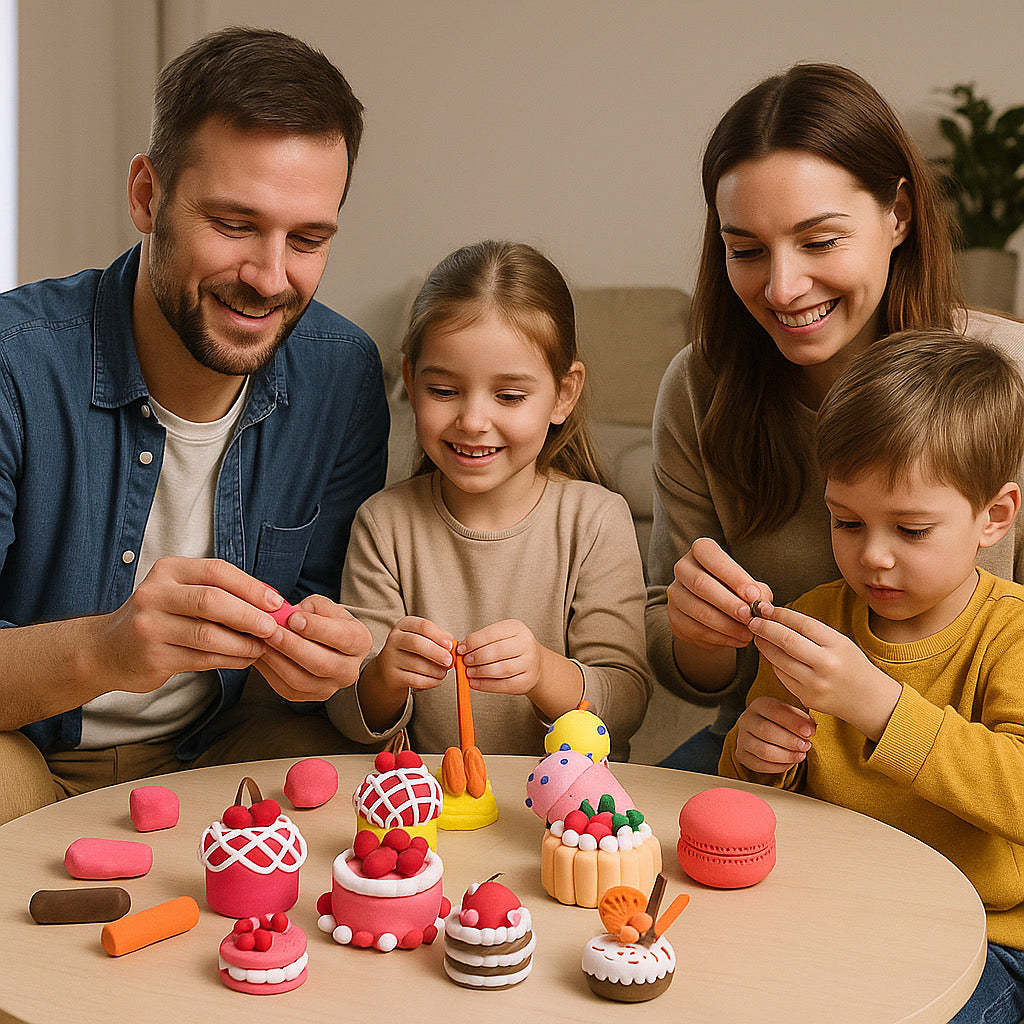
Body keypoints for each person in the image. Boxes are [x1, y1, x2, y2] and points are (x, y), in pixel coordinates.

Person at [0, 27, 390, 824]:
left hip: (221, 748)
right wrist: (107, 650)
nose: (270, 278)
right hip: (21, 747)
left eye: (308, 239)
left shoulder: (344, 375)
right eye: (235, 224)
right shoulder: (14, 364)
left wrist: (325, 660)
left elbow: (324, 618)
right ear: (147, 196)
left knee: (359, 801)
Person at [646, 62, 1024, 773]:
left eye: (819, 241)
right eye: (746, 251)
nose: (783, 288)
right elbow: (683, 669)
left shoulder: (1011, 378)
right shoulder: (699, 386)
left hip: (962, 769)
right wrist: (699, 633)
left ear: (899, 215)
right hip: (776, 753)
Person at [720, 331, 1024, 1024]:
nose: (874, 557)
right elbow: (752, 800)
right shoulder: (816, 621)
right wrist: (756, 755)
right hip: (833, 912)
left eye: (911, 530)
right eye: (847, 522)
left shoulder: (1010, 633)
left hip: (985, 937)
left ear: (994, 517)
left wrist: (881, 706)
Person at [328, 240, 651, 759]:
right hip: (432, 806)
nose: (474, 421)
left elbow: (627, 701)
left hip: (573, 815)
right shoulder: (383, 523)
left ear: (563, 394)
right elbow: (350, 711)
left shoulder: (596, 521)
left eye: (509, 396)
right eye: (444, 391)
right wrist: (386, 674)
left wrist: (544, 671)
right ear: (411, 382)